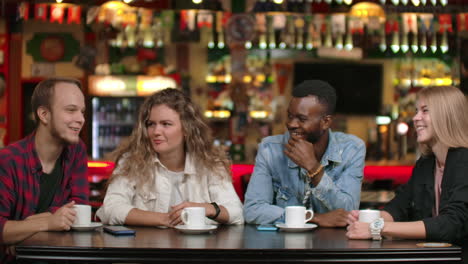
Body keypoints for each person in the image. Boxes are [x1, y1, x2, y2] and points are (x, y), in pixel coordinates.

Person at [96, 88, 243, 227]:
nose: (155, 131)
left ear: (187, 129)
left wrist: (208, 209)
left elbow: (237, 212)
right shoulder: (130, 161)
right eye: (151, 124)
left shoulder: (211, 163)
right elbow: (111, 209)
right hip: (145, 248)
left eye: (166, 124)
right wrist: (165, 219)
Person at [347, 86, 468, 248]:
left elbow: (451, 224)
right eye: (417, 111)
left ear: (446, 116)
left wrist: (377, 228)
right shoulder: (426, 163)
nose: (415, 118)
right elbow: (398, 207)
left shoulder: (464, 160)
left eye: (425, 111)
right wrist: (368, 219)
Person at [243, 80, 366, 226]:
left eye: (302, 119)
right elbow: (252, 210)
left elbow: (347, 212)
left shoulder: (351, 149)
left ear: (326, 122)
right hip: (282, 245)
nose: (291, 124)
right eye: (290, 116)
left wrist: (314, 168)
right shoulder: (270, 148)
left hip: (332, 245)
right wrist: (313, 217)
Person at [0, 77, 88, 260]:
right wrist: (49, 221)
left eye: (82, 112)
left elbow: (80, 209)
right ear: (44, 114)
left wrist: (25, 226)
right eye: (71, 110)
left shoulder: (76, 150)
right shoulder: (8, 160)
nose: (80, 119)